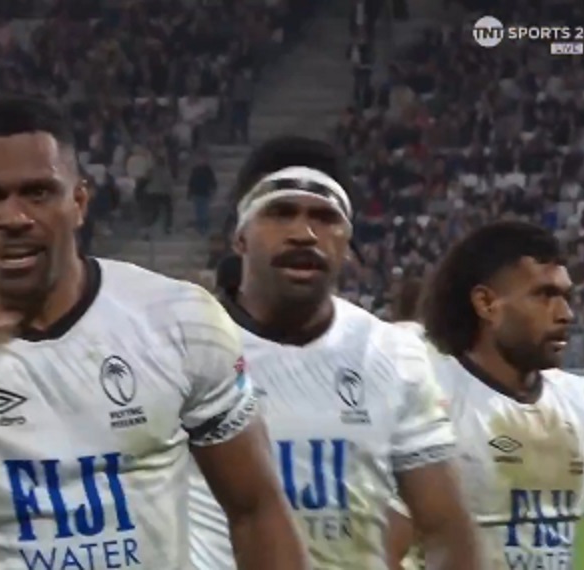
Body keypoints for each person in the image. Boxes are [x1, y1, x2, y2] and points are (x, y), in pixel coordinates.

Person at [0, 95, 307, 569]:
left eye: (38, 192)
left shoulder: (178, 317)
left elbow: (255, 508)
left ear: (79, 201)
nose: (14, 217)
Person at [188, 135, 482, 570]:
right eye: (281, 212)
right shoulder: (186, 350)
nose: (304, 234)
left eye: (325, 218)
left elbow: (447, 530)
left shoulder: (392, 353)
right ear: (240, 238)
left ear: (348, 244)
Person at [389, 221, 584, 570]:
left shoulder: (582, 406)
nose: (565, 314)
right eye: (544, 295)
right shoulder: (432, 405)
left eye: (565, 296)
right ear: (486, 304)